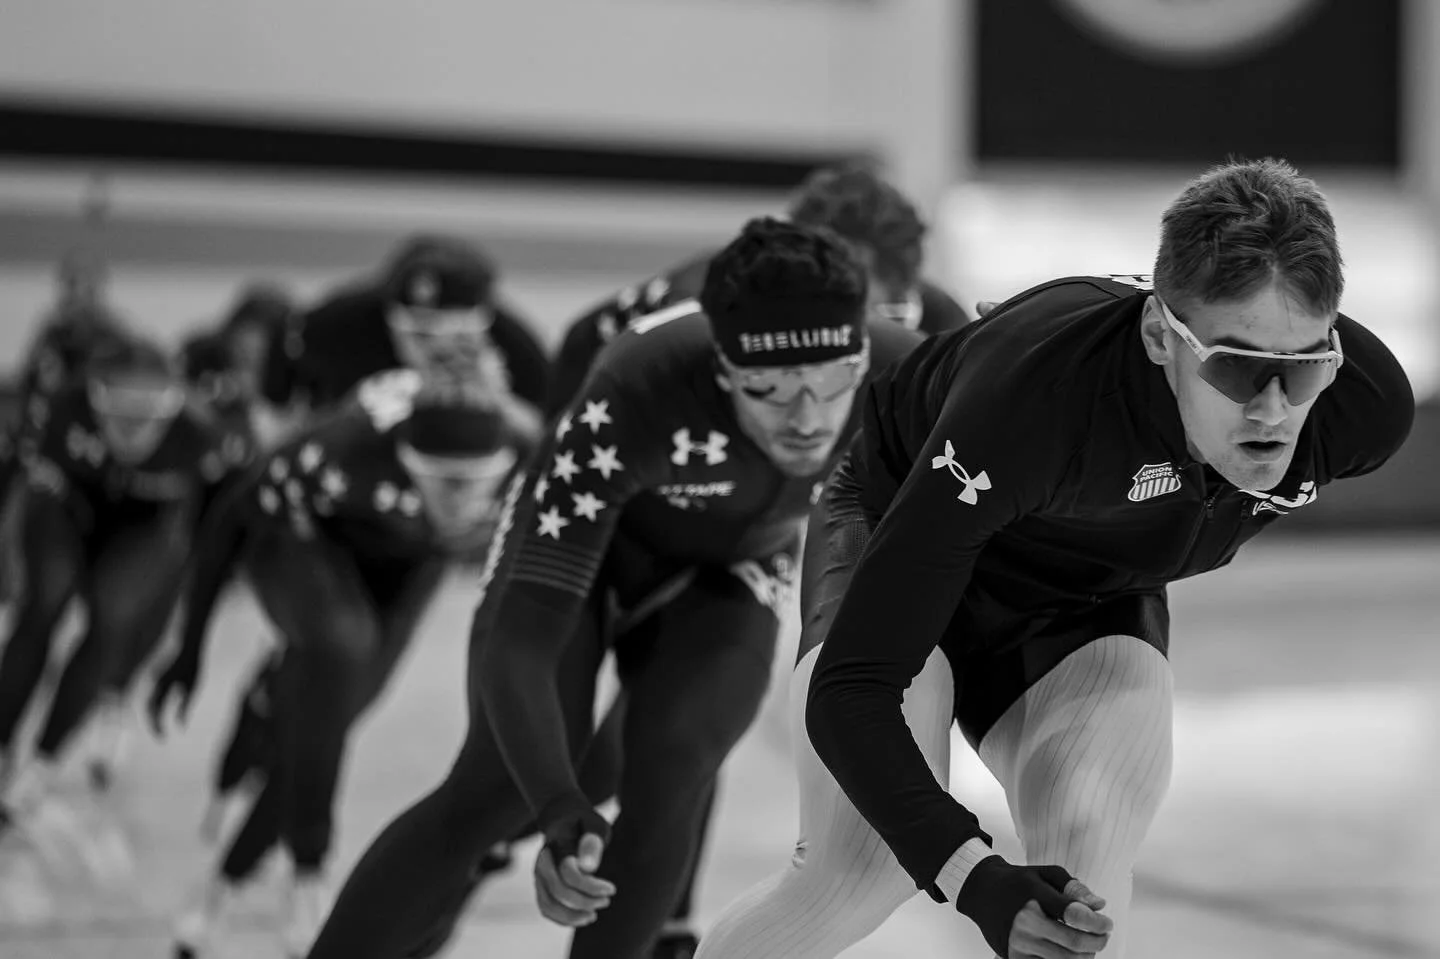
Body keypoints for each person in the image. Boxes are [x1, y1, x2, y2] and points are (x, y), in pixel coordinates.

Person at [690, 158, 1416, 959]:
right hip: (906, 523)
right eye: (1236, 367)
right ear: (1159, 337)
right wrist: (971, 873)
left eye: (1303, 369)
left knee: (1086, 870)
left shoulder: (1359, 411)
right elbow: (850, 692)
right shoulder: (1035, 401)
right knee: (857, 873)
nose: (1273, 411)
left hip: (1082, 592)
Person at [298, 218, 922, 959]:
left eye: (832, 382)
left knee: (675, 769)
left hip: (733, 563)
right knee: (496, 790)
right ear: (723, 368)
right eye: (769, 390)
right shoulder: (637, 388)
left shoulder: (910, 371)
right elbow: (524, 637)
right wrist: (557, 802)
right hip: (595, 546)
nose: (807, 420)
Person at [148, 371, 530, 957]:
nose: (459, 500)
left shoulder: (536, 455)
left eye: (476, 483)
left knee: (327, 719)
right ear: (404, 455)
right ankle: (308, 865)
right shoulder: (340, 448)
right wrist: (190, 646)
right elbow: (230, 517)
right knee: (340, 649)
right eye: (442, 480)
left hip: (410, 562)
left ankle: (226, 877)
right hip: (305, 540)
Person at [0, 334, 245, 850]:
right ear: (92, 397)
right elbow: (14, 479)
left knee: (113, 618)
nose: (132, 428)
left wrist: (203, 578)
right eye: (119, 411)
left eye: (147, 413)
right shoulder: (59, 407)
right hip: (72, 506)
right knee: (41, 607)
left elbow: (228, 514)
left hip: (150, 525)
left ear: (174, 405)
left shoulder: (204, 433)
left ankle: (44, 759)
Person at [549, 162, 970, 414]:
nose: (866, 330)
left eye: (883, 313)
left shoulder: (936, 314)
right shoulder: (715, 298)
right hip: (592, 378)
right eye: (844, 304)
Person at [262, 234, 549, 444]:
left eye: (457, 336)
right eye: (419, 335)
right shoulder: (334, 327)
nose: (437, 349)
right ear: (388, 316)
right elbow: (277, 411)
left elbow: (544, 433)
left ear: (483, 324)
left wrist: (497, 402)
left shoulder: (517, 347)